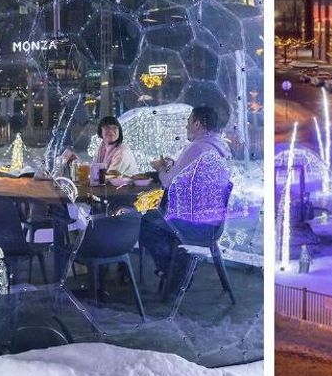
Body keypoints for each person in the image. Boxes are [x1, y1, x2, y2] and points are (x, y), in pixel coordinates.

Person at [139, 106, 231, 297]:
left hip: (194, 225)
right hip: (213, 224)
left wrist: (162, 168)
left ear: (197, 124)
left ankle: (177, 268)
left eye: (189, 121)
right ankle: (176, 264)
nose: (187, 125)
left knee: (144, 222)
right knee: (158, 218)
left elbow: (167, 182)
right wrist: (172, 166)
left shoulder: (197, 147)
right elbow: (187, 177)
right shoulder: (218, 147)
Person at [60, 115, 139, 176]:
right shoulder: (102, 147)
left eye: (114, 128)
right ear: (100, 132)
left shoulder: (122, 150)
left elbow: (111, 175)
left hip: (125, 192)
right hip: (110, 190)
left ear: (119, 132)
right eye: (107, 128)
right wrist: (77, 161)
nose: (111, 131)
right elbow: (95, 170)